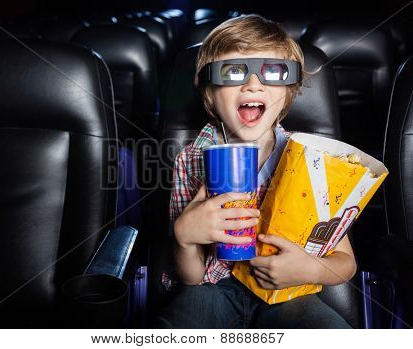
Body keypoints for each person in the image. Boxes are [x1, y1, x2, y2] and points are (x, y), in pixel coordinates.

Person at [153, 14, 356, 329]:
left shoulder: (310, 162)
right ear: (210, 95)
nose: (252, 83)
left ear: (287, 94)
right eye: (233, 72)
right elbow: (190, 278)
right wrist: (184, 238)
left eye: (272, 72)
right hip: (211, 289)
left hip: (288, 291)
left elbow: (346, 263)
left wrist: (311, 269)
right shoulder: (191, 161)